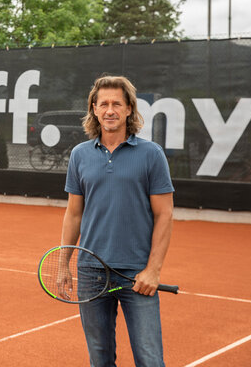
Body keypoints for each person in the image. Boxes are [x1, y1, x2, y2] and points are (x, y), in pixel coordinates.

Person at [61, 76, 175, 366]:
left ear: (128, 110)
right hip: (90, 271)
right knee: (100, 359)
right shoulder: (79, 155)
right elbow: (74, 213)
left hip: (137, 274)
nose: (110, 110)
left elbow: (165, 214)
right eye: (104, 104)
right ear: (94, 110)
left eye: (117, 104)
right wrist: (64, 264)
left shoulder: (151, 154)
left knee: (149, 359)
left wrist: (153, 270)